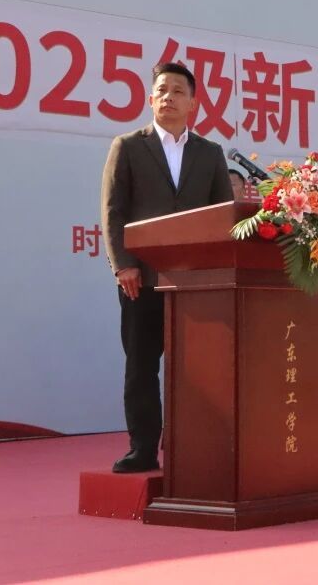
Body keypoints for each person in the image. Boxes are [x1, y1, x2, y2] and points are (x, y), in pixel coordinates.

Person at [100, 61, 234, 473]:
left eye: (178, 91)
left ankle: (192, 446)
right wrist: (123, 265)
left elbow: (223, 216)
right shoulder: (128, 146)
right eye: (162, 90)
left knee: (197, 368)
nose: (169, 97)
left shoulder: (209, 153)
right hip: (141, 278)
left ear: (193, 103)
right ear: (150, 99)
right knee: (141, 365)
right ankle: (142, 448)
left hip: (195, 282)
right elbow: (113, 210)